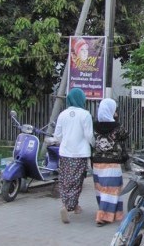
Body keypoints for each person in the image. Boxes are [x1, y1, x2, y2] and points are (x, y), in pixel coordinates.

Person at [54, 88, 94, 224]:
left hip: (65, 152)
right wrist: (94, 145)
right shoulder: (85, 114)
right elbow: (89, 135)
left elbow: (57, 136)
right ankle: (67, 207)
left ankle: (74, 206)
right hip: (80, 153)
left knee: (65, 181)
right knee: (76, 181)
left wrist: (65, 142)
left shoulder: (62, 114)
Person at [92, 98, 128, 227]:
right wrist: (116, 119)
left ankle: (114, 213)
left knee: (102, 189)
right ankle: (102, 217)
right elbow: (125, 136)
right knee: (112, 189)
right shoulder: (117, 127)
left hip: (97, 163)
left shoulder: (94, 126)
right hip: (112, 163)